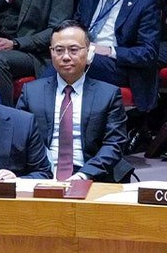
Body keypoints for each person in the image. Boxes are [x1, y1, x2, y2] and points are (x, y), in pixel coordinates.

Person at [15, 22, 130, 182]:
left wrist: (84, 174)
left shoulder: (108, 94)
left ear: (89, 53)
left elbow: (114, 144)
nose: (66, 57)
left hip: (91, 174)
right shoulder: (31, 92)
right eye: (59, 50)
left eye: (74, 50)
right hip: (41, 173)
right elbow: (19, 139)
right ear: (51, 53)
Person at [74, 0, 161, 113]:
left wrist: (110, 51)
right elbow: (77, 23)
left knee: (75, 61)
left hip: (119, 65)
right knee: (59, 57)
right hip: (83, 52)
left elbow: (148, 52)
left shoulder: (145, 1)